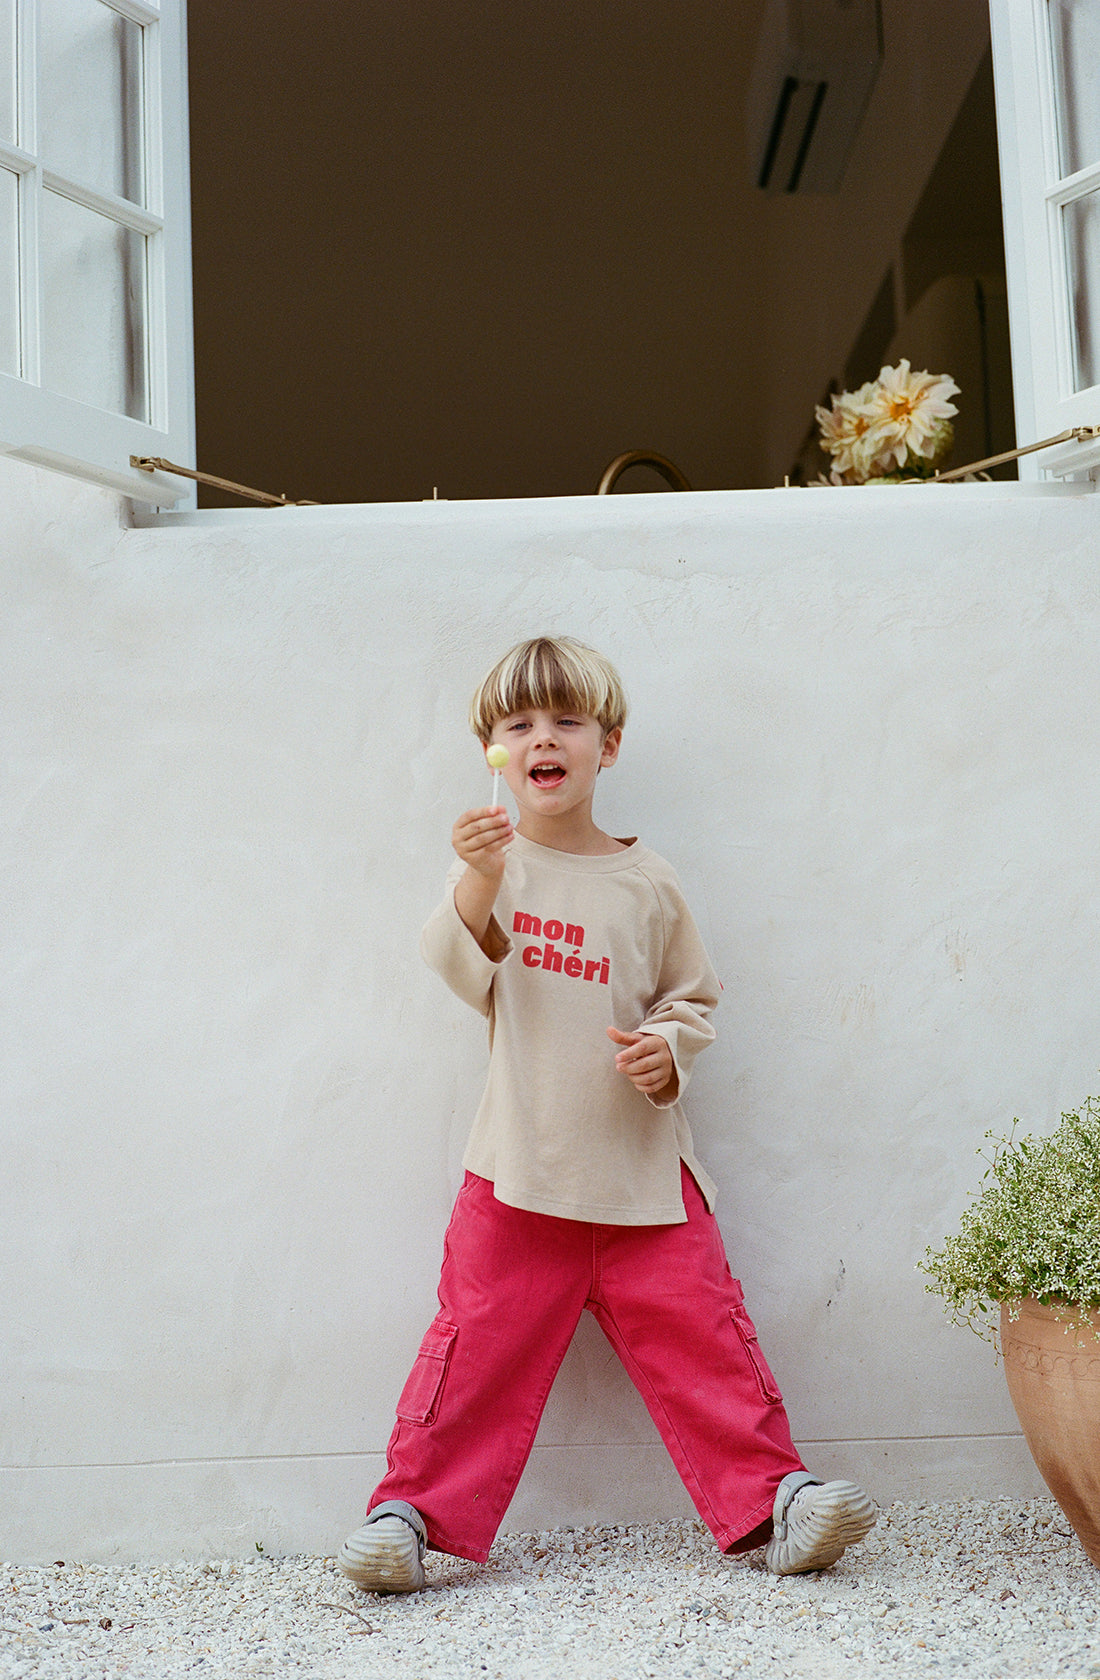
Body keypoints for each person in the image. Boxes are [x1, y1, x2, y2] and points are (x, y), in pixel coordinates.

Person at [339, 635, 874, 1593]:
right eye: (518, 724)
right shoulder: (497, 870)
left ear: (609, 746)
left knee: (708, 1337)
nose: (543, 737)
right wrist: (476, 876)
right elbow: (458, 963)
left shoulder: (649, 881)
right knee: (472, 1354)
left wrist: (666, 1056)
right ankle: (408, 1518)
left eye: (566, 720)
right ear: (494, 751)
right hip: (518, 1175)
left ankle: (777, 1500)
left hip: (644, 1181)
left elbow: (692, 997)